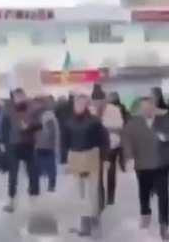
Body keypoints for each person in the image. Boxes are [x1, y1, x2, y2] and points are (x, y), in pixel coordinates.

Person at [123, 97, 169, 241]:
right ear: (140, 109)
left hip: (161, 164)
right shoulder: (134, 123)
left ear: (154, 107)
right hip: (143, 165)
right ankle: (145, 213)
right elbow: (127, 139)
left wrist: (165, 137)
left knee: (164, 195)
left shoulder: (165, 120)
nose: (147, 110)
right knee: (144, 192)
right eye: (144, 108)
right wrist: (129, 157)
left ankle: (164, 226)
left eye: (149, 107)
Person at [66, 93, 109, 238]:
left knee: (93, 192)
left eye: (82, 103)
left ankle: (95, 219)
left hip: (91, 156)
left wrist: (105, 157)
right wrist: (63, 160)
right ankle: (84, 223)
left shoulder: (94, 121)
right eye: (77, 103)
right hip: (75, 157)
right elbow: (64, 141)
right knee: (79, 193)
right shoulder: (69, 121)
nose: (79, 106)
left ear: (86, 105)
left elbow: (104, 140)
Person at [0, 88, 42, 213]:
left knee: (33, 172)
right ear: (14, 98)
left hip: (29, 144)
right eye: (17, 97)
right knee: (13, 174)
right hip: (13, 145)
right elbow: (2, 126)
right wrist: (1, 142)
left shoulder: (32, 108)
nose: (20, 99)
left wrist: (30, 126)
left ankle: (34, 198)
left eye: (22, 97)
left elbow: (39, 124)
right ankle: (11, 200)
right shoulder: (7, 109)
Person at [91, 84, 124, 206]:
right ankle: (100, 199)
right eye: (95, 102)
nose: (98, 104)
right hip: (96, 147)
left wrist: (104, 128)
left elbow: (120, 128)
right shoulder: (90, 110)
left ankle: (110, 197)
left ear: (105, 99)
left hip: (112, 146)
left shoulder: (114, 110)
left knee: (110, 173)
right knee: (97, 174)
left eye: (100, 101)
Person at [34, 97, 59, 192]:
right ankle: (50, 185)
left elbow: (51, 131)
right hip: (43, 145)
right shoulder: (48, 114)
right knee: (49, 166)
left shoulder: (46, 115)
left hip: (44, 145)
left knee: (48, 166)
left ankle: (50, 185)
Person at [55, 94, 73, 164]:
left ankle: (63, 159)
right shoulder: (71, 106)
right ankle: (70, 158)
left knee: (63, 144)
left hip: (62, 127)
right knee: (69, 143)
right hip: (70, 126)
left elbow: (55, 115)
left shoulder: (58, 107)